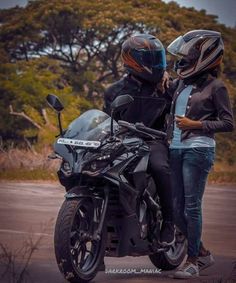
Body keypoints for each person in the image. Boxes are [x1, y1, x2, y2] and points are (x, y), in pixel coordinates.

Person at [166, 30, 234, 279]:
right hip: (175, 148)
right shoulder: (181, 83)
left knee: (191, 208)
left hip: (199, 150)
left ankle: (192, 261)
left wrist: (196, 125)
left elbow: (228, 123)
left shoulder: (217, 87)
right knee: (174, 210)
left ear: (205, 57)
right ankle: (203, 254)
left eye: (189, 56)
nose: (183, 61)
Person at [103, 33, 175, 246]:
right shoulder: (114, 90)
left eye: (157, 58)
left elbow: (183, 105)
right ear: (132, 61)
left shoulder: (166, 86)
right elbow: (105, 121)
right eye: (149, 59)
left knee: (160, 167)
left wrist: (167, 88)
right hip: (122, 142)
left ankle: (169, 222)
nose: (156, 64)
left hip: (154, 141)